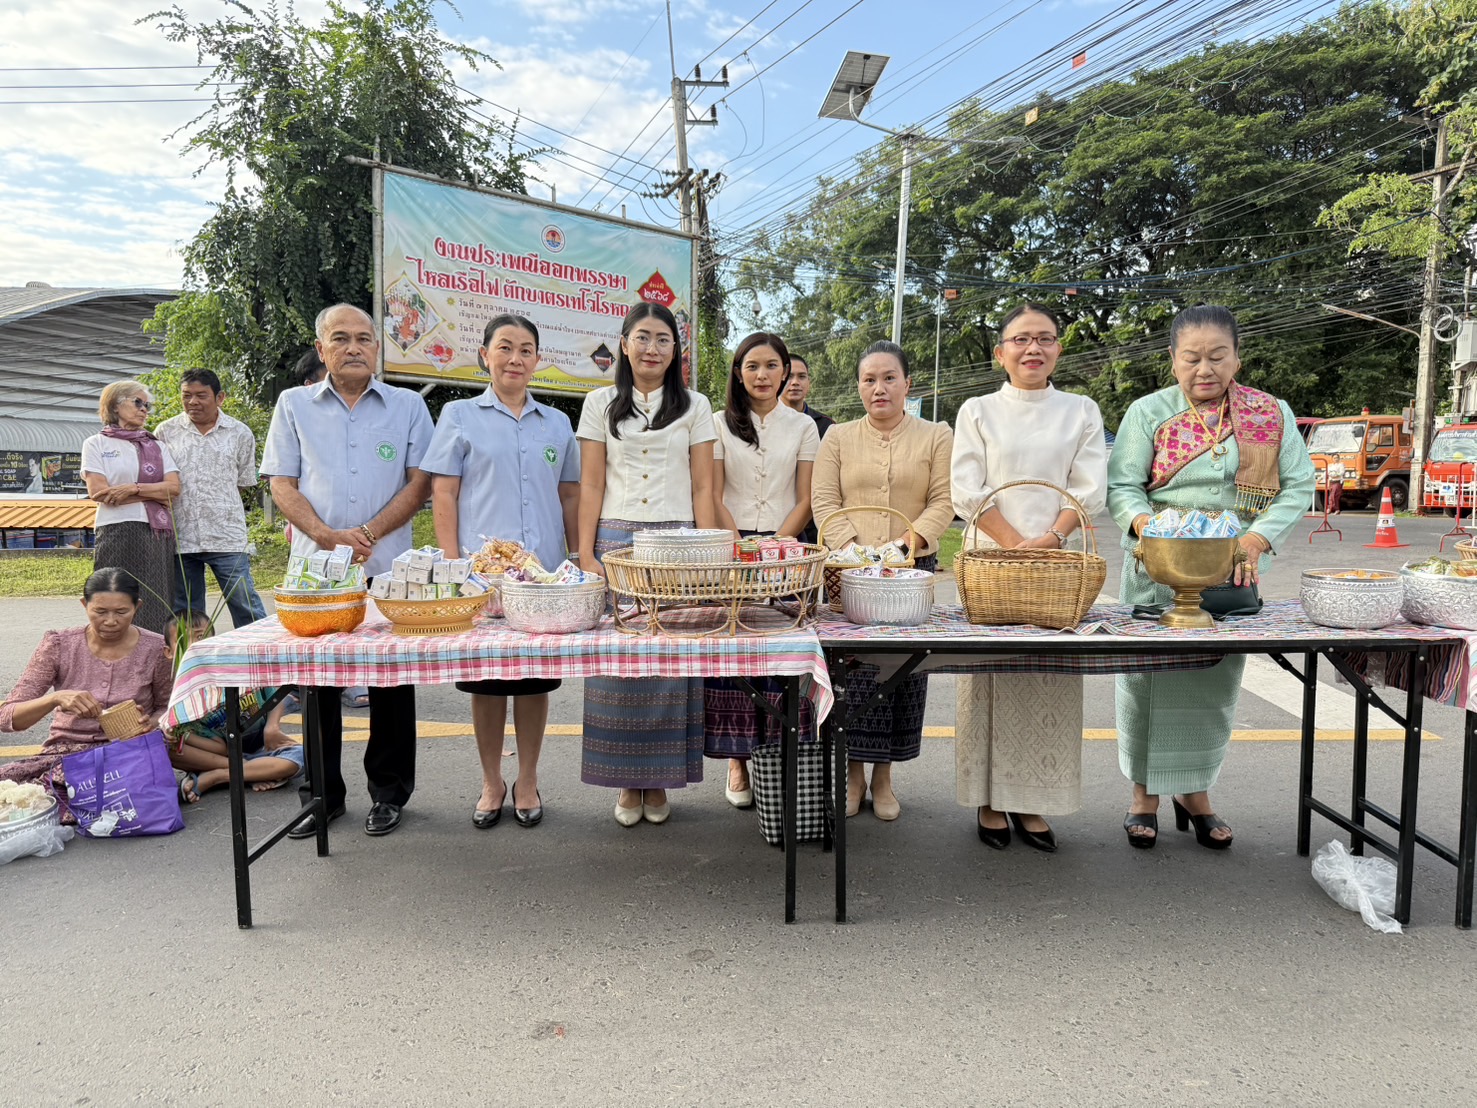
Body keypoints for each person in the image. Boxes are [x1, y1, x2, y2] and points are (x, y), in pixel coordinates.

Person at [1107, 305, 1315, 849]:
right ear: (1173, 360)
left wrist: (1256, 538)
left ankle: (1194, 792)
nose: (1205, 368)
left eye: (1218, 356)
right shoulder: (1148, 412)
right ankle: (1143, 795)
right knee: (1145, 683)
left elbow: (1298, 486)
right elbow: (1123, 486)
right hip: (1158, 566)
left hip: (1231, 566)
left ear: (1237, 358)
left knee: (1211, 681)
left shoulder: (1270, 413)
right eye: (1192, 357)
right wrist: (1150, 528)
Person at [262, 303, 434, 838]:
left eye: (364, 338)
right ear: (322, 349)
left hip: (390, 569)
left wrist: (369, 533)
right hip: (316, 573)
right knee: (319, 683)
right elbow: (281, 483)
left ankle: (389, 793)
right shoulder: (293, 405)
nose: (353, 347)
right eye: (340, 338)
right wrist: (326, 535)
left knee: (391, 681)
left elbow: (420, 483)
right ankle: (322, 796)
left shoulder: (408, 406)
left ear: (378, 348)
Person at [949, 304, 1107, 851]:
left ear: (1059, 348)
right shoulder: (977, 410)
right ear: (1001, 353)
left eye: (1044, 338)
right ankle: (989, 799)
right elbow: (966, 488)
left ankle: (1032, 798)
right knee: (989, 676)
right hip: (992, 565)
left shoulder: (1080, 410)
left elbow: (1089, 488)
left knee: (1046, 678)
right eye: (1020, 339)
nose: (1033, 348)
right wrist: (1015, 545)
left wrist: (1051, 540)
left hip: (1056, 567)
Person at [425, 313, 580, 830]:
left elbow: (570, 495)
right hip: (483, 579)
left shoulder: (557, 424)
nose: (516, 358)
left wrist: (576, 557)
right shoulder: (459, 416)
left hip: (543, 580)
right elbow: (443, 493)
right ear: (485, 355)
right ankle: (492, 780)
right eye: (505, 348)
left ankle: (528, 778)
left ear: (538, 360)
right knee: (488, 684)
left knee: (534, 683)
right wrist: (454, 566)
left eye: (526, 349)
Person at [576, 302, 718, 826]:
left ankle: (658, 781)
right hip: (616, 544)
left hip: (678, 544)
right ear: (624, 343)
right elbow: (591, 483)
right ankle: (624, 781)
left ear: (675, 350)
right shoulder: (598, 403)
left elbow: (703, 487)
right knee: (618, 664)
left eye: (663, 339)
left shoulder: (695, 406)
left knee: (668, 665)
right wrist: (586, 553)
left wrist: (710, 555)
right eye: (642, 337)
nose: (652, 348)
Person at [811, 340, 954, 821]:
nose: (879, 388)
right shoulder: (837, 437)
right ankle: (853, 774)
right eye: (869, 379)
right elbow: (824, 502)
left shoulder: (936, 435)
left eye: (889, 378)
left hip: (911, 572)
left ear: (907, 384)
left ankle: (885, 776)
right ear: (859, 387)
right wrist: (859, 553)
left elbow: (943, 500)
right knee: (852, 674)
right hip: (848, 572)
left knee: (902, 674)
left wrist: (901, 548)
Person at [706, 332, 821, 807]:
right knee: (733, 656)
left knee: (781, 656)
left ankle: (778, 758)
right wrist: (740, 547)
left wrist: (775, 546)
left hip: (785, 549)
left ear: (785, 372)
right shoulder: (717, 423)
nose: (762, 375)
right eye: (752, 366)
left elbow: (806, 497)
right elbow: (713, 494)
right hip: (730, 548)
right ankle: (736, 761)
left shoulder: (804, 426)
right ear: (738, 373)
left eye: (772, 365)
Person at [0, 568, 174, 809]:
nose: (111, 621)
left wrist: (151, 723)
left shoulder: (156, 649)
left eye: (122, 612)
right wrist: (55, 699)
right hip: (64, 755)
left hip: (130, 752)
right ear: (84, 604)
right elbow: (7, 717)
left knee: (83, 794)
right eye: (100, 612)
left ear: (137, 607)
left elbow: (168, 706)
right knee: (17, 793)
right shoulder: (59, 645)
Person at [155, 369, 267, 628]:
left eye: (201, 395)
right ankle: (192, 653)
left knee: (245, 603)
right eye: (186, 395)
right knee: (187, 611)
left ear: (220, 398)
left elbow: (242, 482)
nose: (193, 402)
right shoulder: (166, 432)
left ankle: (256, 651)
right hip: (182, 536)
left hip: (227, 536)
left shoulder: (240, 433)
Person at [164, 610, 303, 803]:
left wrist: (272, 727)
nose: (194, 645)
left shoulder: (235, 665)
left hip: (261, 746)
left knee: (301, 756)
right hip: (223, 756)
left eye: (201, 637)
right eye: (183, 640)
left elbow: (276, 695)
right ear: (169, 652)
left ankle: (216, 777)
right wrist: (182, 734)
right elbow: (220, 749)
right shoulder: (183, 695)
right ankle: (250, 772)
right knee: (168, 750)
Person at [82, 380, 181, 634]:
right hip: (116, 530)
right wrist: (153, 494)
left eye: (147, 405)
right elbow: (99, 492)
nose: (144, 409)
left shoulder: (156, 445)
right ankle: (114, 649)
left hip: (156, 533)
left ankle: (155, 652)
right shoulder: (96, 443)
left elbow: (173, 489)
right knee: (115, 594)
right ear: (115, 405)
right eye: (138, 403)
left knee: (157, 597)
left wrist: (131, 489)